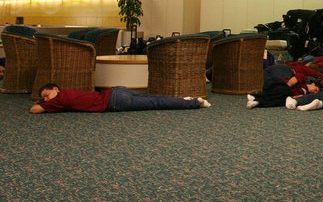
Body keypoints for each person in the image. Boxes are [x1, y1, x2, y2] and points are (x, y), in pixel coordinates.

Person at [29, 83, 211, 114]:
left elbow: (34, 110)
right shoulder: (67, 94)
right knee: (153, 98)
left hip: (115, 101)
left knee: (154, 103)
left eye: (47, 94)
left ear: (55, 89)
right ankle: (186, 99)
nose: (46, 99)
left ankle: (194, 103)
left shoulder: (60, 98)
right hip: (116, 91)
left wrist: (43, 102)